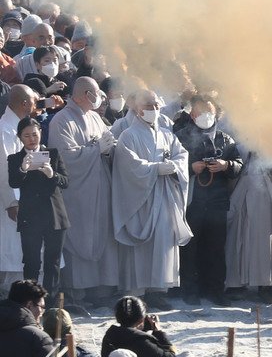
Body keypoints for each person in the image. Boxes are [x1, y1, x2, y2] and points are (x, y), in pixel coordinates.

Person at [111, 89, 191, 310]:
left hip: (164, 195)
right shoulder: (128, 135)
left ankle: (158, 291)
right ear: (137, 108)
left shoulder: (167, 134)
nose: (153, 110)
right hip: (140, 197)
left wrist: (173, 166)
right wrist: (157, 169)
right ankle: (138, 291)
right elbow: (129, 165)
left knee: (163, 239)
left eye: (156, 105)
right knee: (141, 243)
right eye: (148, 106)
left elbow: (182, 155)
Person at [47, 77, 117, 304]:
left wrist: (108, 149)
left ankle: (100, 289)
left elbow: (108, 145)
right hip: (77, 193)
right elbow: (65, 158)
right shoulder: (61, 120)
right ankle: (76, 291)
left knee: (102, 233)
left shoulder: (96, 117)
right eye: (97, 93)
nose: (100, 99)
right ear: (87, 94)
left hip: (100, 186)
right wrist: (97, 148)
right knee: (78, 236)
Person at [177, 96, 242, 305]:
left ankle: (215, 290)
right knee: (190, 248)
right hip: (192, 200)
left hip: (217, 200)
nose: (204, 116)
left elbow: (239, 164)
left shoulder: (225, 138)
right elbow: (173, 162)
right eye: (199, 112)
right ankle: (190, 291)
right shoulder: (181, 136)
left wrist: (226, 165)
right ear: (192, 115)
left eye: (209, 111)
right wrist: (191, 167)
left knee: (216, 247)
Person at [7, 116, 67, 292]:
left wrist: (52, 174)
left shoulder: (53, 154)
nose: (32, 139)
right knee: (31, 261)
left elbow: (66, 181)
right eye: (27, 136)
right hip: (30, 217)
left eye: (34, 134)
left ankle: (50, 304)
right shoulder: (15, 158)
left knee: (53, 261)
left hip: (54, 215)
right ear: (20, 138)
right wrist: (23, 169)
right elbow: (14, 183)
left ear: (40, 133)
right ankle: (30, 301)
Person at [224, 153, 272, 303]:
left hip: (266, 187)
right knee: (237, 234)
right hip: (240, 184)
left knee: (265, 236)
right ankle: (236, 283)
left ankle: (267, 283)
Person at [0, 87, 40, 285]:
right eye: (34, 101)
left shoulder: (21, 126)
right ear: (24, 103)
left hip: (30, 199)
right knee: (13, 252)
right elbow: (3, 168)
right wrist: (11, 202)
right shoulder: (5, 129)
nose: (35, 105)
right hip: (14, 201)